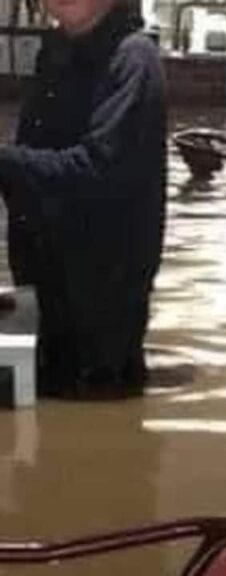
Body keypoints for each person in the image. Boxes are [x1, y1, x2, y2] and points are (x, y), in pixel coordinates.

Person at [0, 0, 167, 399]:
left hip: (98, 324)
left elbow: (96, 175)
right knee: (27, 447)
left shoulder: (133, 61)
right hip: (38, 302)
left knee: (92, 442)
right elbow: (29, 175)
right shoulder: (54, 55)